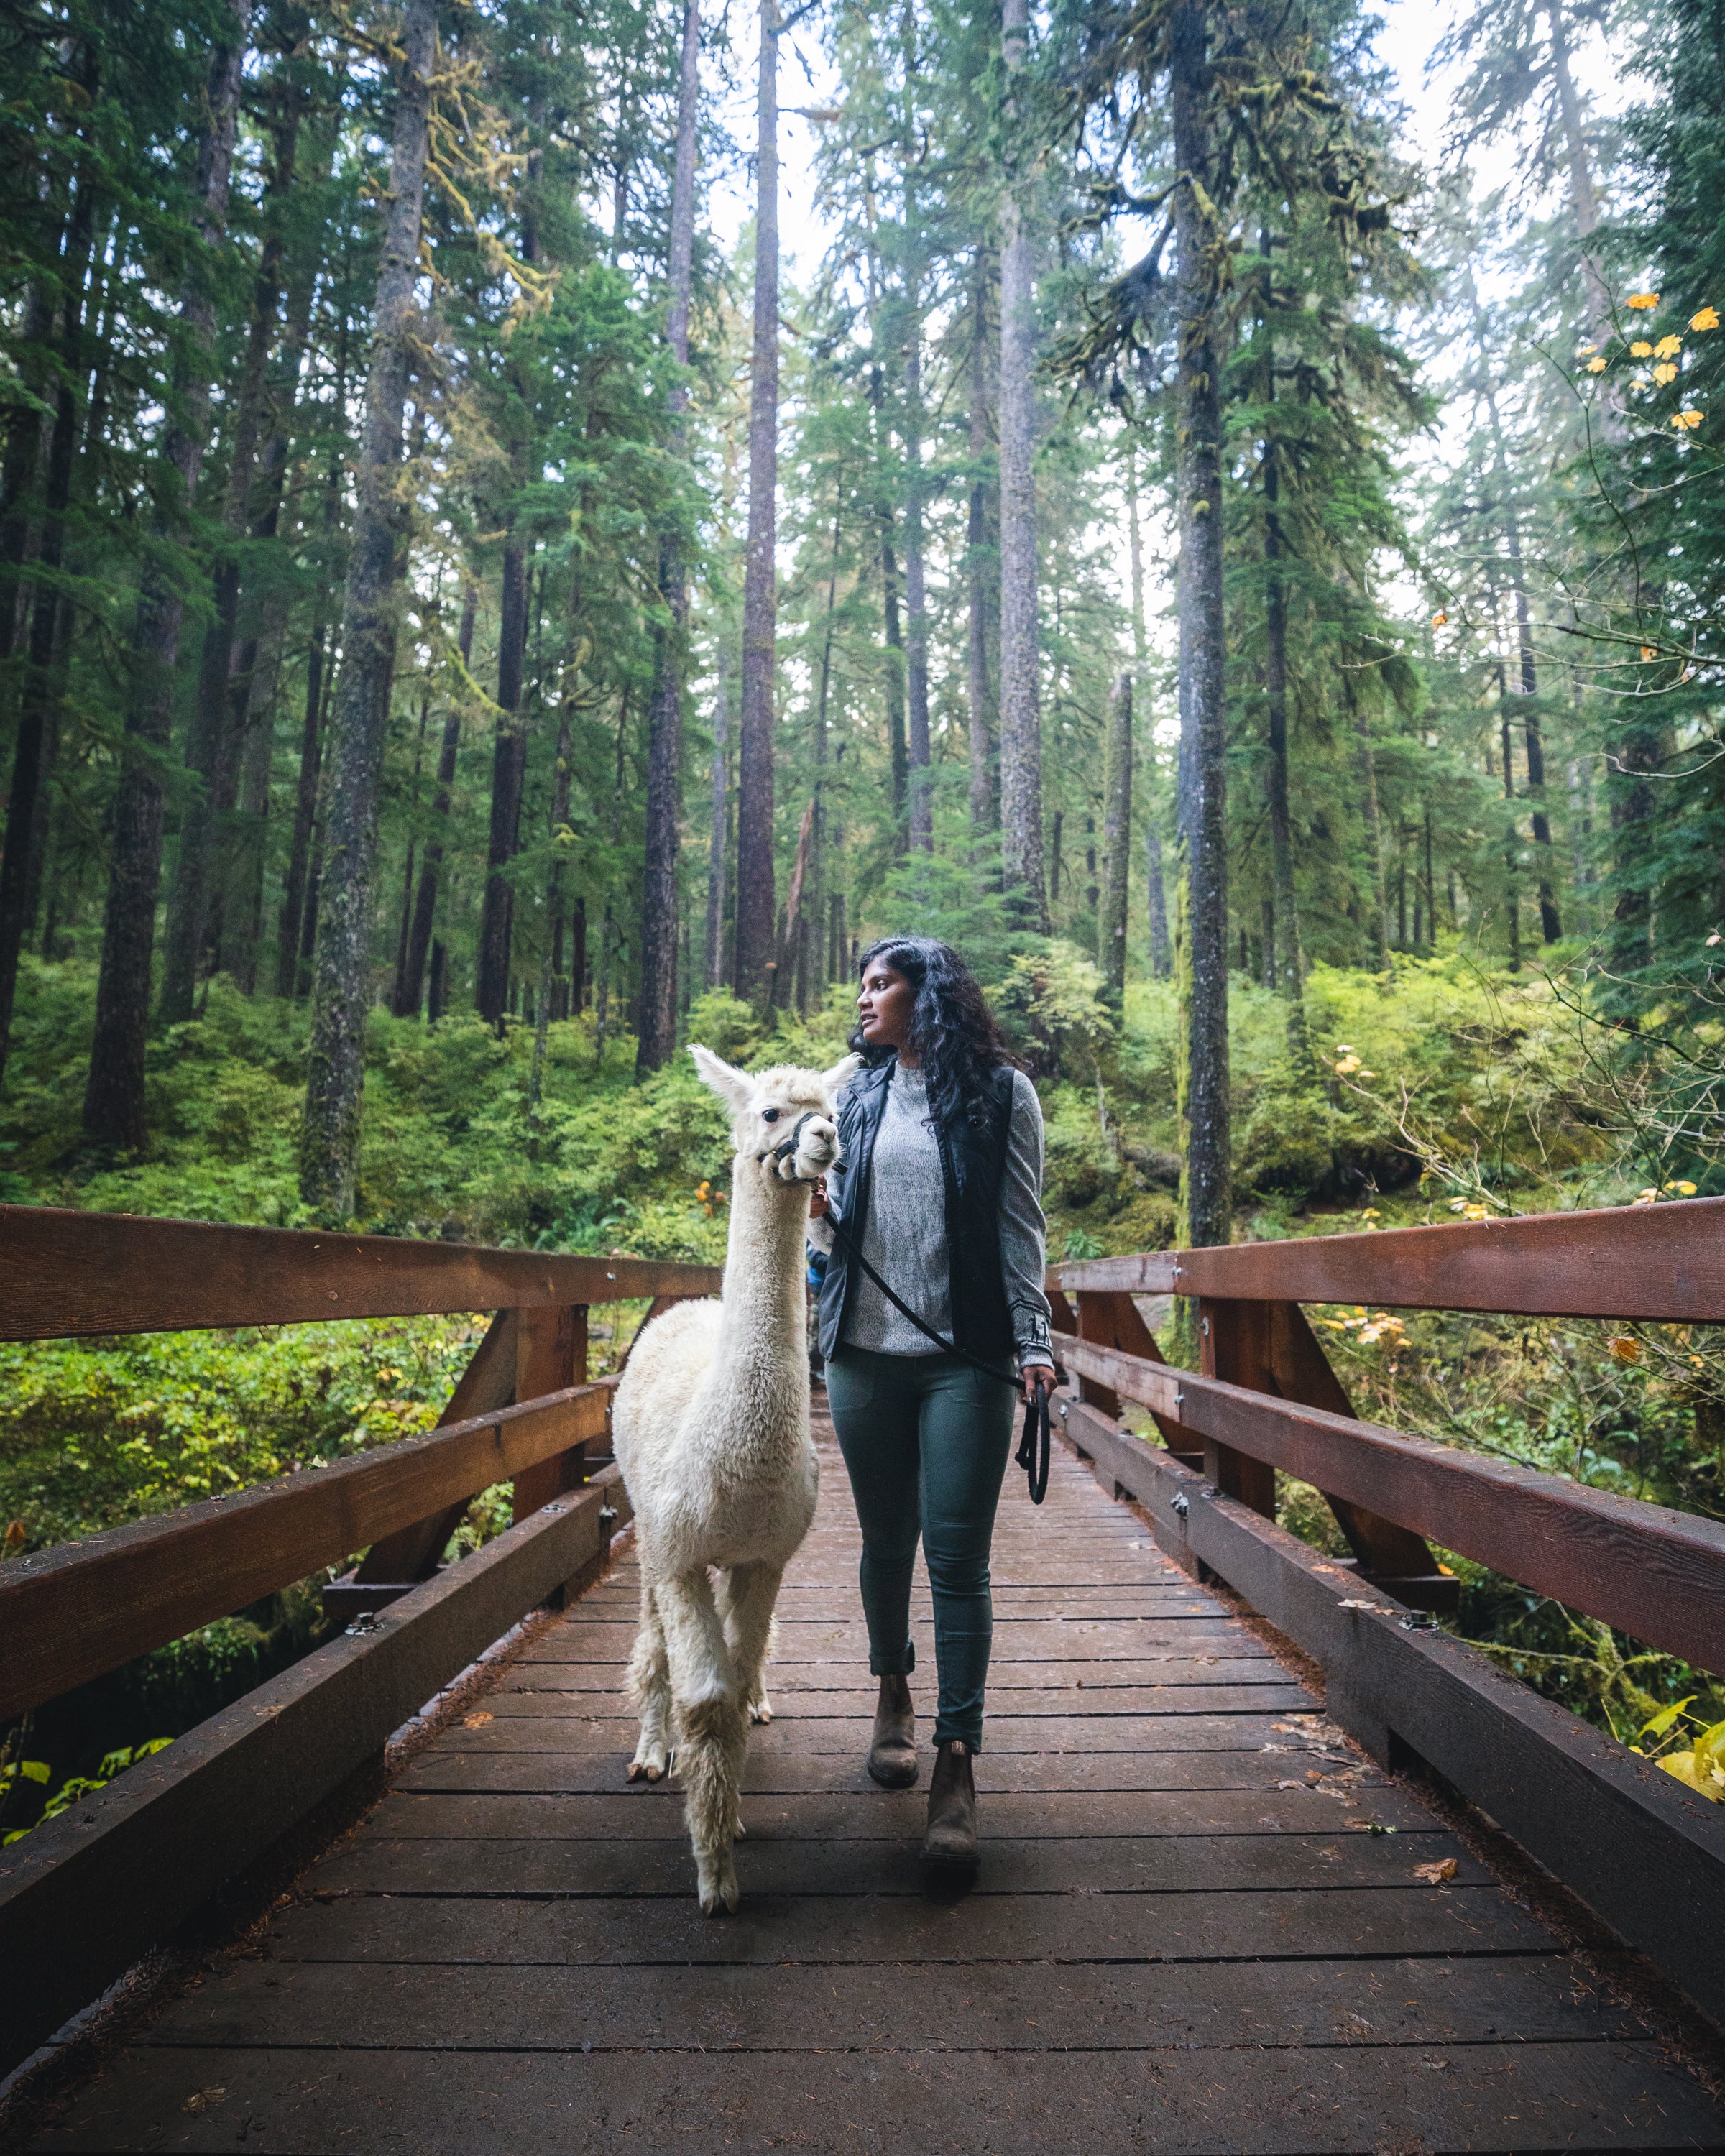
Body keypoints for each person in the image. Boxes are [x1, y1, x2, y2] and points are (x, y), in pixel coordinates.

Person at [808, 936, 1057, 1870]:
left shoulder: (1001, 1095)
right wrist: (818, 1212)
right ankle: (892, 1695)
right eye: (863, 986)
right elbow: (830, 1236)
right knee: (885, 1543)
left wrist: (1035, 1344)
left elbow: (1019, 1229)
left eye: (882, 983)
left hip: (967, 1360)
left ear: (929, 993)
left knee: (957, 1557)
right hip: (863, 1358)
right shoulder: (855, 1092)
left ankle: (957, 1758)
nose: (865, 999)